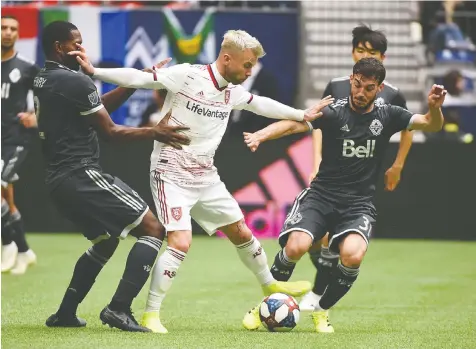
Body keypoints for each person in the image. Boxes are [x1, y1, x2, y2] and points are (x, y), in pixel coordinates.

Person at [72, 29, 332, 333]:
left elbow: (260, 104)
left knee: (240, 232)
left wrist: (302, 113)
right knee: (180, 241)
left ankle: (269, 285)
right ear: (227, 58)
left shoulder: (232, 90)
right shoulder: (186, 75)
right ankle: (150, 314)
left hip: (206, 174)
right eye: (247, 65)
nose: (250, 71)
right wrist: (94, 71)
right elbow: (139, 78)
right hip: (170, 171)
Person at [242, 58, 446, 332]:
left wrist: (434, 109)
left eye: (369, 88)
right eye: (357, 84)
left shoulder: (389, 115)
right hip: (321, 196)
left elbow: (430, 125)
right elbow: (295, 124)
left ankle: (321, 310)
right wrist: (261, 135)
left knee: (353, 255)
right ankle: (263, 308)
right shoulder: (333, 113)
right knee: (295, 246)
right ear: (352, 79)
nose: (361, 92)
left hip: (358, 204)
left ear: (380, 88)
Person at [35, 21, 190, 332]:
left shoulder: (45, 78)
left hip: (58, 181)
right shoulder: (76, 83)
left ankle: (65, 313)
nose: (81, 49)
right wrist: (155, 132)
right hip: (80, 173)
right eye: (75, 43)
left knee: (105, 242)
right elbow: (110, 131)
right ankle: (118, 309)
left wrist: (137, 81)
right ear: (58, 47)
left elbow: (98, 109)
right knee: (152, 228)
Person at [302, 24, 414, 313]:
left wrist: (397, 165)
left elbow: (408, 128)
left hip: (363, 179)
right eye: (360, 50)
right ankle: (325, 282)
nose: (364, 54)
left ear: (383, 58)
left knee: (339, 241)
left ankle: (318, 293)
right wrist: (314, 163)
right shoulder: (337, 85)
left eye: (372, 51)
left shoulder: (392, 94)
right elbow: (318, 126)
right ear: (353, 52)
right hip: (328, 176)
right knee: (317, 239)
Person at [1, 15, 39, 274]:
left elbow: (48, 95)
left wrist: (37, 116)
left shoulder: (26, 67)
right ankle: (25, 250)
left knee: (1, 187)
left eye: (13, 29)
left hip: (13, 139)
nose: (8, 32)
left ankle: (8, 245)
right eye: (3, 27)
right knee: (7, 200)